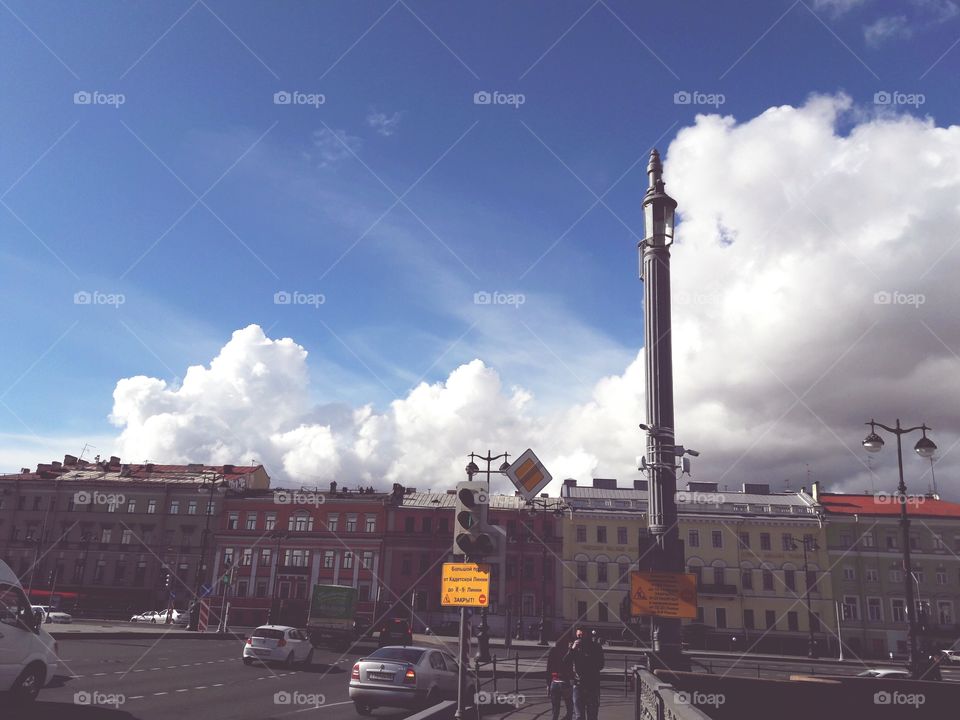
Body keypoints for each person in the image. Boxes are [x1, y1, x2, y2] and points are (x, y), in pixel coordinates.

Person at [565, 626, 604, 720]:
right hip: (578, 685)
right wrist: (572, 649)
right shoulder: (574, 647)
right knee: (579, 716)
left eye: (582, 636)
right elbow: (565, 662)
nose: (579, 638)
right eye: (578, 636)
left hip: (592, 686)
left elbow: (601, 665)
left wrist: (587, 658)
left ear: (587, 636)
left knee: (592, 716)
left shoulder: (596, 647)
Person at [546, 634, 574, 720]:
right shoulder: (568, 652)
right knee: (570, 708)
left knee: (555, 710)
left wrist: (548, 684)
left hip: (554, 682)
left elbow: (548, 669)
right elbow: (570, 668)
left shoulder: (553, 651)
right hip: (565, 681)